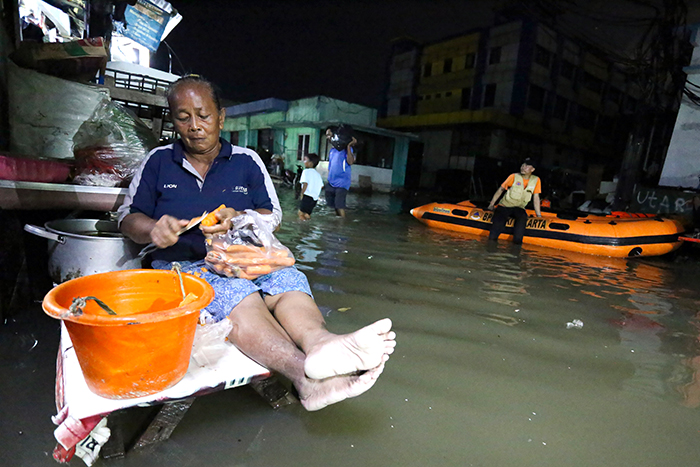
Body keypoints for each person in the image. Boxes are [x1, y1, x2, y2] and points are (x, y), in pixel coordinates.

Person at [117, 75, 396, 411]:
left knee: (288, 280)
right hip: (185, 266)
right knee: (237, 296)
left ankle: (322, 344)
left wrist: (240, 217)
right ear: (173, 119)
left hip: (245, 255)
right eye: (183, 116)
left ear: (221, 117)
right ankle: (305, 379)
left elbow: (272, 213)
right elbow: (127, 219)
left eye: (203, 115)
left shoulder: (247, 161)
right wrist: (153, 229)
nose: (194, 126)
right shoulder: (159, 161)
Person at [486, 158, 542, 245]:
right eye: (523, 165)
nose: (523, 167)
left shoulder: (536, 180)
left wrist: (538, 215)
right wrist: (491, 204)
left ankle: (516, 245)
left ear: (533, 169)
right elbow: (500, 190)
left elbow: (536, 198)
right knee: (497, 227)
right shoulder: (513, 176)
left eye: (527, 166)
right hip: (505, 206)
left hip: (519, 208)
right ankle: (491, 245)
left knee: (522, 218)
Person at [325, 125, 356, 217]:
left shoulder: (346, 149)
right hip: (331, 182)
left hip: (342, 183)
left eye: (329, 135)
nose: (328, 137)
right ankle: (337, 223)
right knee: (333, 205)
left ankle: (342, 225)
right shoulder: (332, 150)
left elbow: (350, 162)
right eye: (327, 135)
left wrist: (349, 145)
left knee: (340, 205)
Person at [297, 153, 323, 221]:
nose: (304, 162)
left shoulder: (305, 172)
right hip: (314, 198)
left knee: (300, 213)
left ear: (311, 163)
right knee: (307, 214)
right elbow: (321, 186)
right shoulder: (317, 174)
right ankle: (308, 225)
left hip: (307, 196)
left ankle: (304, 225)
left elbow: (305, 184)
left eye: (305, 160)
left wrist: (302, 194)